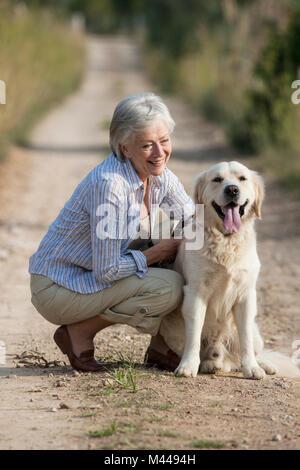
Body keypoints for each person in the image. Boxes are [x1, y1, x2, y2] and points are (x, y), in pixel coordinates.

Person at [29, 92, 194, 372]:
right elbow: (105, 271)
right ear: (125, 147)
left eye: (164, 141)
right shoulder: (111, 186)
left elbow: (193, 218)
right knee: (169, 286)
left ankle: (161, 348)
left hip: (90, 277)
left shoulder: (160, 175)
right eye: (147, 145)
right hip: (59, 287)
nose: (159, 153)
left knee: (184, 256)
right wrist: (159, 252)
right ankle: (78, 332)